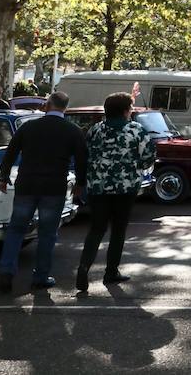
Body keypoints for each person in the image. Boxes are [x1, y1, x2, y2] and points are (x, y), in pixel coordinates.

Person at [0, 91, 87, 292]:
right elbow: (82, 160)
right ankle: (41, 276)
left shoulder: (29, 127)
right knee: (47, 233)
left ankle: (6, 272)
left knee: (16, 229)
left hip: (27, 183)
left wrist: (3, 176)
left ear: (47, 105)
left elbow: (10, 153)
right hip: (54, 187)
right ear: (65, 107)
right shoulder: (73, 131)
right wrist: (80, 184)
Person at [76, 92, 155, 290]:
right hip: (125, 188)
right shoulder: (136, 130)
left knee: (96, 228)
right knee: (118, 230)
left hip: (98, 187)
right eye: (130, 108)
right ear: (125, 111)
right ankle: (111, 271)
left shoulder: (95, 130)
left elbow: (87, 153)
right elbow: (148, 156)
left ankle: (84, 267)